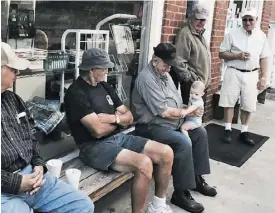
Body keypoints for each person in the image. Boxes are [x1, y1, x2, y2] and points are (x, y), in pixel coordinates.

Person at [64, 48, 174, 213]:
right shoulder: (76, 92)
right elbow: (98, 131)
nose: (107, 71)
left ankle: (158, 205)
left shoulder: (105, 86)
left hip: (118, 138)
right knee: (143, 164)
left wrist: (113, 119)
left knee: (166, 153)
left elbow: (129, 116)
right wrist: (120, 120)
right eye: (104, 68)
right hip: (93, 147)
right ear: (91, 69)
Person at [1, 42, 94, 213]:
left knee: (82, 206)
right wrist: (17, 183)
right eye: (13, 69)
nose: (17, 73)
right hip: (3, 190)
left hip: (32, 175)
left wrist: (38, 164)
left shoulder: (13, 99)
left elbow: (30, 136)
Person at [132, 43, 217, 213]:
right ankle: (181, 192)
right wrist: (186, 112)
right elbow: (163, 112)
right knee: (181, 142)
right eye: (165, 64)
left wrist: (189, 108)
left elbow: (176, 103)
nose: (168, 68)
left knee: (200, 133)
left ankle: (196, 178)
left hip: (171, 123)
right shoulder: (146, 78)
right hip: (150, 127)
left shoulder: (166, 74)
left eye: (170, 65)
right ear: (155, 60)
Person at [219, 8, 271, 145]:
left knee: (248, 104)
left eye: (250, 19)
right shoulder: (232, 34)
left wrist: (264, 77)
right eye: (245, 19)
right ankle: (227, 129)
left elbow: (265, 57)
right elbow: (222, 53)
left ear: (256, 20)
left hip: (252, 73)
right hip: (234, 71)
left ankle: (244, 131)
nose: (247, 22)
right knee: (228, 101)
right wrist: (237, 55)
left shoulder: (261, 36)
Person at [171, 3, 211, 105]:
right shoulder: (185, 34)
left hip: (199, 87)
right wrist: (190, 79)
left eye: (204, 20)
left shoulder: (200, 35)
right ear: (191, 17)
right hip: (191, 87)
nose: (201, 22)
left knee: (195, 117)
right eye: (198, 19)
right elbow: (178, 61)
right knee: (189, 117)